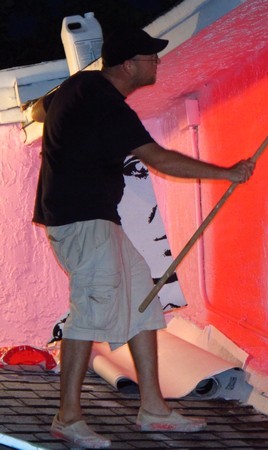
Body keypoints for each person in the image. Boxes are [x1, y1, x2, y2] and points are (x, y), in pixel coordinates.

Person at [31, 28, 255, 449]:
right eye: (151, 58)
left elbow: (42, 109)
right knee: (89, 311)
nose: (157, 63)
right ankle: (67, 418)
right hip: (82, 222)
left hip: (95, 220)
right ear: (128, 65)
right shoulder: (104, 102)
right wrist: (227, 173)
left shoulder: (82, 88)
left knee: (142, 301)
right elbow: (159, 159)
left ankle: (153, 409)